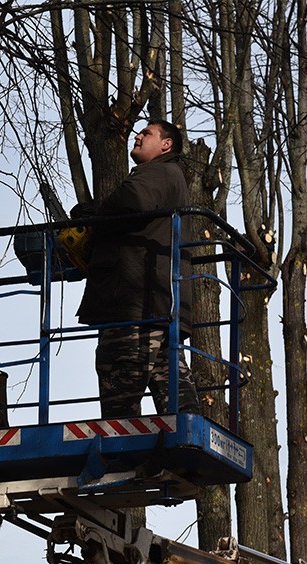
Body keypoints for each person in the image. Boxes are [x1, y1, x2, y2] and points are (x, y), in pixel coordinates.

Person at [75, 119, 199, 418]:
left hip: (134, 308)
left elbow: (133, 201)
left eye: (147, 133)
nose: (139, 136)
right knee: (179, 408)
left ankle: (125, 461)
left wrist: (95, 217)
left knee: (120, 406)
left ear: (166, 144)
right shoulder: (168, 176)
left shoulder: (157, 172)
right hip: (158, 309)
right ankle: (180, 459)